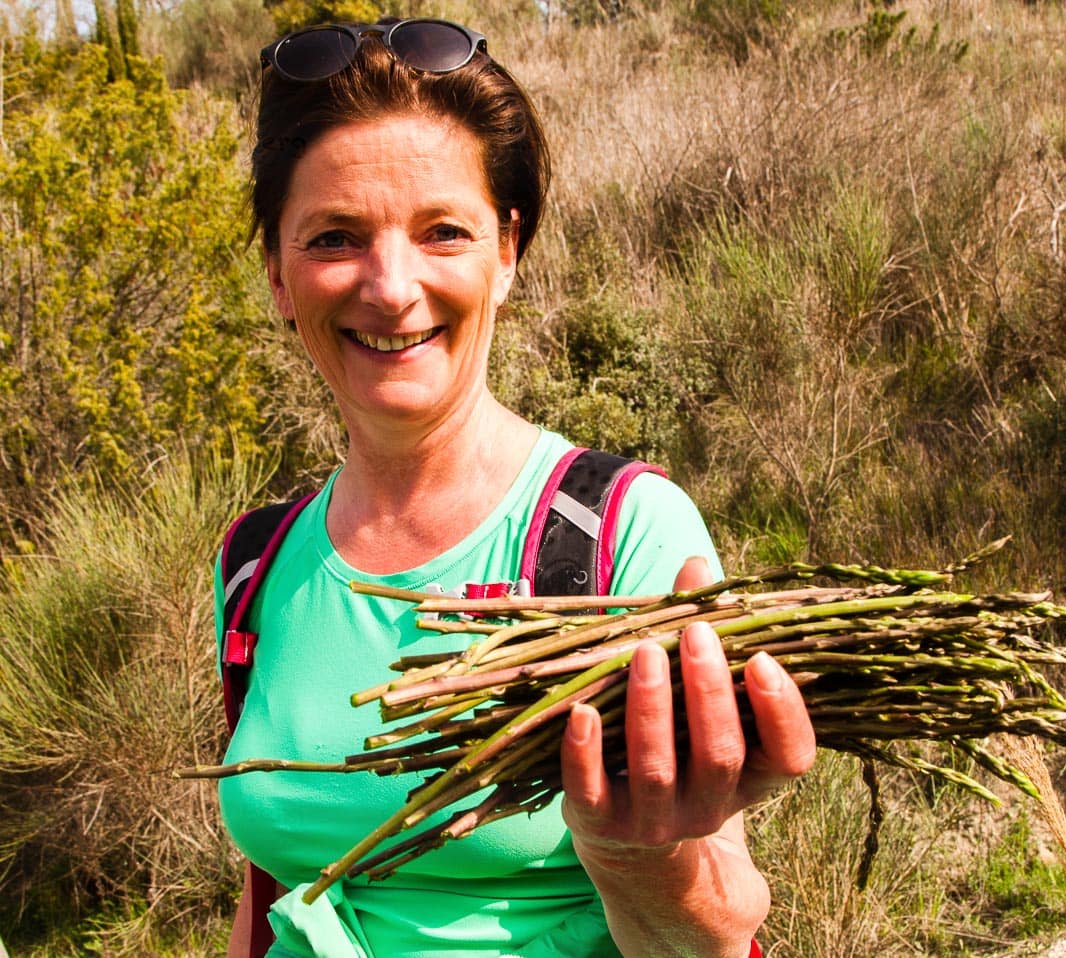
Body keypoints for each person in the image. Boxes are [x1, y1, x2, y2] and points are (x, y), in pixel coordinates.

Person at [219, 16, 817, 957]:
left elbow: (716, 930)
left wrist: (638, 858)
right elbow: (274, 896)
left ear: (508, 251)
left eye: (442, 232)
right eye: (335, 237)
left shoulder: (615, 531)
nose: (390, 286)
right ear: (279, 277)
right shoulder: (257, 562)